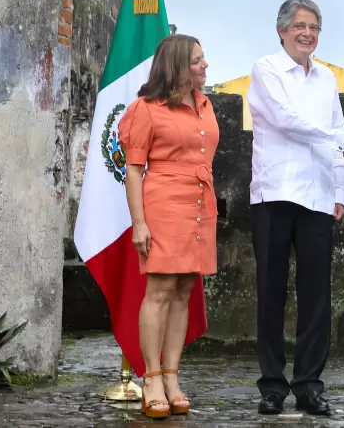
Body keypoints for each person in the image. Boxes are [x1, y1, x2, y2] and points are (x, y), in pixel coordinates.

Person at [247, 0, 344, 417]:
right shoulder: (266, 69)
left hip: (316, 196)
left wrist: (340, 192)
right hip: (274, 193)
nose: (307, 33)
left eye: (314, 27)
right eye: (300, 26)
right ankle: (272, 385)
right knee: (271, 293)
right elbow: (284, 119)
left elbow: (336, 129)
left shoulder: (326, 77)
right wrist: (342, 141)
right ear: (282, 30)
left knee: (316, 296)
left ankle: (309, 384)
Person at [119, 34, 218, 419]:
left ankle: (173, 375)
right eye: (196, 61)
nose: (205, 65)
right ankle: (152, 378)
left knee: (183, 290)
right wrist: (139, 224)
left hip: (199, 203)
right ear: (177, 66)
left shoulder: (205, 105)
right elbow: (133, 169)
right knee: (159, 290)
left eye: (204, 58)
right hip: (162, 203)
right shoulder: (146, 108)